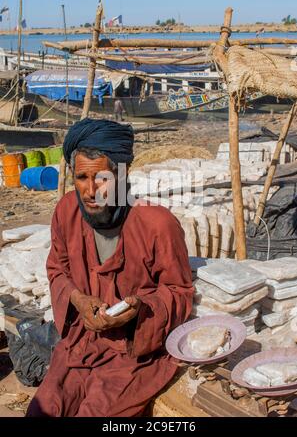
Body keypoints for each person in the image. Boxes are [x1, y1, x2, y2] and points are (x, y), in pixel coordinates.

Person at [26, 119, 194, 418]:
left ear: (121, 174)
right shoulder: (66, 211)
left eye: (102, 178)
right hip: (81, 343)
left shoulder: (157, 224)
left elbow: (179, 291)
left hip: (132, 352)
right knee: (43, 411)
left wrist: (140, 309)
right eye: (81, 177)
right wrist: (78, 299)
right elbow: (57, 268)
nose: (90, 191)